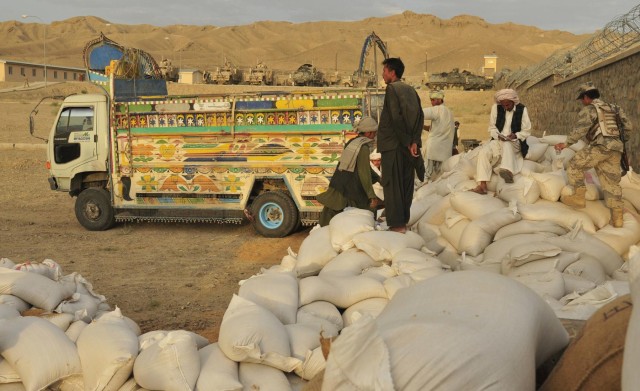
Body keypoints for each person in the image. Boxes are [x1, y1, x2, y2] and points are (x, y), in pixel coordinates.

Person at [554, 83, 633, 228]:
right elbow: (628, 127)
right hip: (616, 149)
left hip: (600, 147)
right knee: (611, 183)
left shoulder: (590, 109)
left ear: (586, 97)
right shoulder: (615, 108)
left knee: (574, 165)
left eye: (582, 99)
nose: (582, 102)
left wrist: (566, 144)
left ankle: (578, 196)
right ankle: (617, 217)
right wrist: (619, 142)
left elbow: (580, 130)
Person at [377, 57, 424, 233]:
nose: (383, 74)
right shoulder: (411, 90)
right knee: (405, 184)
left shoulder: (392, 89)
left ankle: (397, 226)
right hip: (407, 146)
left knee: (392, 184)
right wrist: (414, 142)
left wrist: (406, 141)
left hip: (393, 145)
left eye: (384, 71)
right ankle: (402, 222)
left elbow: (396, 119)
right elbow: (419, 117)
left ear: (392, 72)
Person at [317, 116, 382, 226]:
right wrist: (371, 196)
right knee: (366, 214)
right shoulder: (363, 147)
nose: (375, 135)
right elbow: (363, 172)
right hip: (349, 190)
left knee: (329, 220)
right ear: (369, 133)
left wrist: (378, 178)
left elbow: (365, 168)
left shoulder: (352, 142)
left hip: (339, 184)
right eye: (374, 133)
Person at [471, 88, 532, 194]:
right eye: (503, 105)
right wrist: (498, 136)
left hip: (514, 142)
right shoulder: (496, 108)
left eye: (508, 105)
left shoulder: (522, 109)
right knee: (483, 152)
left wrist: (515, 135)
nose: (505, 107)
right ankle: (483, 185)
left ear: (513, 101)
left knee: (508, 144)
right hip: (498, 140)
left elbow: (526, 131)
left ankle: (507, 171)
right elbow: (492, 128)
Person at [421, 90, 456, 181]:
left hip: (433, 149)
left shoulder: (437, 109)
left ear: (440, 100)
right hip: (445, 151)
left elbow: (419, 113)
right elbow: (434, 129)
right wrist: (421, 126)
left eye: (433, 100)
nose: (431, 102)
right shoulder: (449, 112)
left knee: (426, 175)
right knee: (440, 176)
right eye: (431, 100)